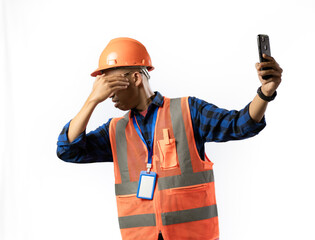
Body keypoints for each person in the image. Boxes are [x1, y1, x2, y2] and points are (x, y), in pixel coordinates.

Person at [56, 37, 282, 240]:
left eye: (110, 85)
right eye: (102, 88)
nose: (108, 95)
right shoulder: (115, 131)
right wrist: (91, 101)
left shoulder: (188, 111)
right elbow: (68, 150)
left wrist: (265, 92)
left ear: (136, 77)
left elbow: (240, 125)